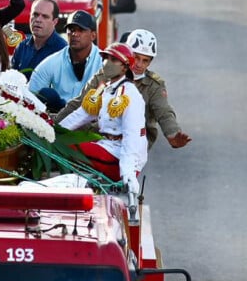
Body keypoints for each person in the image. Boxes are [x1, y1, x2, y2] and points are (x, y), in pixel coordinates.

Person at [57, 29, 192, 150]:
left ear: (150, 62)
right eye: (136, 58)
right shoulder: (105, 76)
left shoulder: (153, 86)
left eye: (145, 60)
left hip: (132, 143)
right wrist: (54, 126)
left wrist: (173, 135)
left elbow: (164, 113)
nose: (139, 64)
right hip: (99, 136)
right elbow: (80, 104)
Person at [59, 42, 147, 197]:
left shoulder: (130, 95)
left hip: (119, 156)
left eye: (113, 60)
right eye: (106, 58)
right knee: (58, 142)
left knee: (66, 147)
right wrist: (52, 131)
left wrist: (128, 174)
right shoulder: (105, 88)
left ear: (124, 67)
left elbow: (132, 137)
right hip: (106, 145)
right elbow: (81, 115)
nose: (107, 63)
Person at [28, 10, 102, 111]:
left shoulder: (104, 63)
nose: (75, 34)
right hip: (59, 120)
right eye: (71, 29)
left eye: (81, 30)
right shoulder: (52, 62)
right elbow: (30, 96)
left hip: (93, 118)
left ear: (93, 35)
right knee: (47, 94)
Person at [10, 0, 68, 79]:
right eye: (35, 14)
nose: (38, 20)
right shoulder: (22, 46)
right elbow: (11, 80)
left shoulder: (63, 51)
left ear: (55, 22)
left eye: (45, 16)